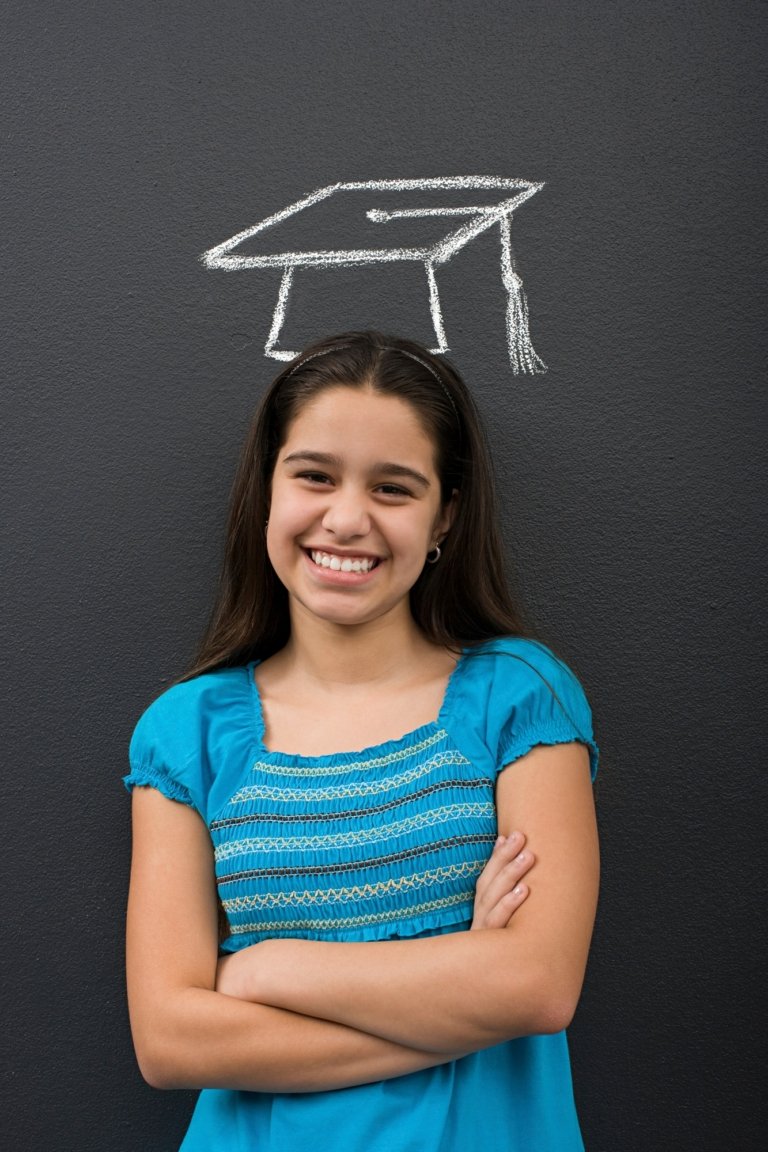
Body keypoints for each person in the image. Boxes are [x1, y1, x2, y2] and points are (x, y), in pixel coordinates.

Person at [124, 331, 600, 1151]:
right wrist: (457, 987)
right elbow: (169, 1043)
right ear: (267, 490)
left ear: (445, 513)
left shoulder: (519, 698)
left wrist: (268, 972)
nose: (347, 519)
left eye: (393, 488)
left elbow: (538, 985)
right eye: (314, 475)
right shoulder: (186, 732)